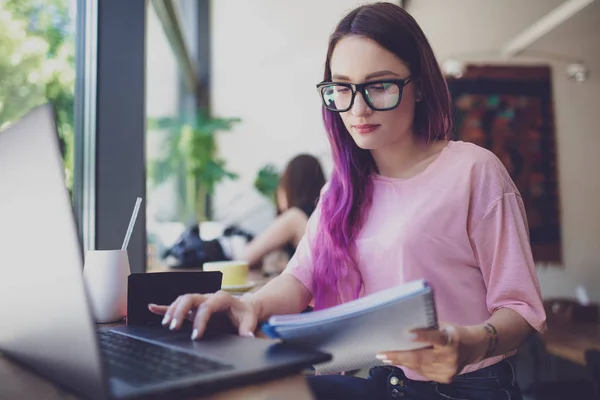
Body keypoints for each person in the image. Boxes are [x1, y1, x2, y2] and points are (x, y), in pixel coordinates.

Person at [148, 3, 546, 399]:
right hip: (386, 383)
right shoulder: (342, 187)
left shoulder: (474, 171)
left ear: (420, 85)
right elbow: (299, 279)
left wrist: (474, 342)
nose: (357, 108)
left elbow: (522, 308)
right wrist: (246, 306)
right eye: (342, 87)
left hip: (469, 388)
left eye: (379, 85)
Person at [242, 154, 326, 268]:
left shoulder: (295, 217)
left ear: (292, 186)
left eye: (283, 183)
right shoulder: (322, 213)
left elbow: (246, 256)